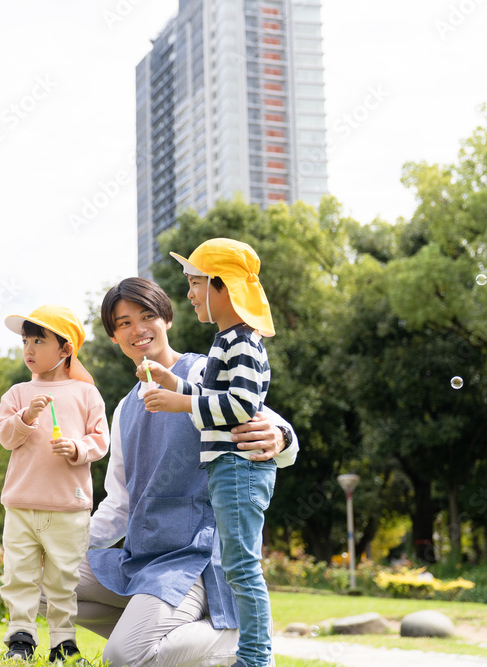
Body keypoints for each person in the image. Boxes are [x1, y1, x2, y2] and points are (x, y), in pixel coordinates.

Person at [73, 276, 297, 667]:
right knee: (45, 578)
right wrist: (65, 545)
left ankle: (233, 636)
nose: (137, 330)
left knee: (124, 658)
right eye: (123, 323)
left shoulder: (203, 371)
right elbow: (121, 503)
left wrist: (281, 436)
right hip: (142, 559)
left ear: (167, 320)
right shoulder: (125, 409)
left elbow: (269, 422)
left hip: (192, 558)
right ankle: (159, 637)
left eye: (147, 316)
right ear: (113, 337)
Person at [142, 239, 276, 667]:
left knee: (241, 565)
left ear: (224, 286)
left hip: (239, 468)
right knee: (238, 564)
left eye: (196, 283)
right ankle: (253, 655)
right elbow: (213, 396)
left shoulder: (242, 344)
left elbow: (239, 407)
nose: (189, 294)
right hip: (228, 469)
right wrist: (175, 383)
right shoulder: (226, 341)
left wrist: (182, 404)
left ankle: (256, 658)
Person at [0, 305, 109, 662]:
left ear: (65, 349)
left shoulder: (87, 393)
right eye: (26, 341)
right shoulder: (17, 394)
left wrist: (77, 447)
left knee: (63, 579)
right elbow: (4, 436)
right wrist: (26, 417)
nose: (28, 349)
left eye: (38, 341)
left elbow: (101, 440)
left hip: (69, 506)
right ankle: (20, 637)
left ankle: (63, 641)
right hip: (22, 504)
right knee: (19, 575)